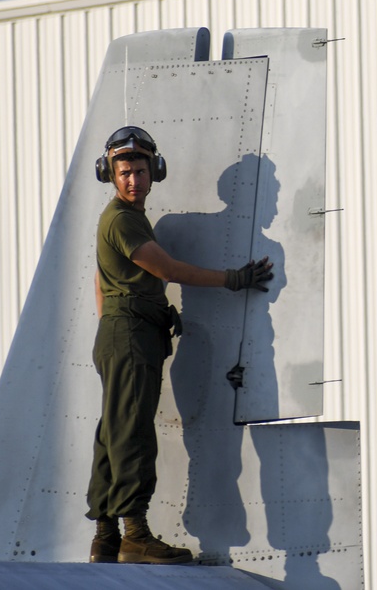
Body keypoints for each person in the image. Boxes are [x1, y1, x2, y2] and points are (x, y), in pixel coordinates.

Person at [86, 125, 273, 564]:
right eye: (125, 172)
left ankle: (106, 536)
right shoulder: (121, 219)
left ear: (155, 172)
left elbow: (99, 279)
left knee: (114, 429)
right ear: (111, 176)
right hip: (129, 334)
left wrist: (113, 325)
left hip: (123, 332)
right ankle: (134, 534)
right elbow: (167, 270)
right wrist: (234, 279)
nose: (133, 180)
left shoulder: (128, 219)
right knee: (131, 431)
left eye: (140, 171)